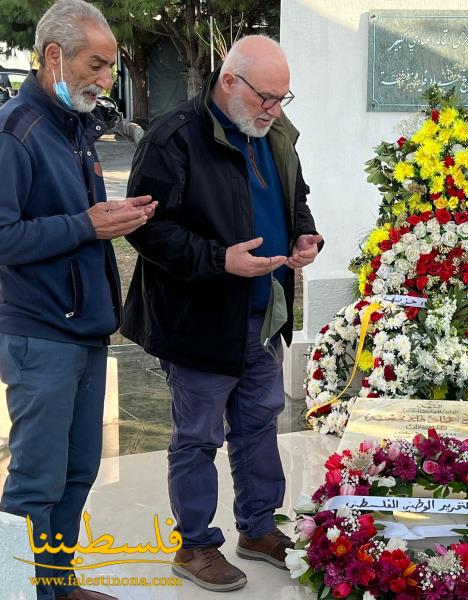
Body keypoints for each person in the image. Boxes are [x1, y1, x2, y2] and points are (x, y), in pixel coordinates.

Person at [121, 35, 323, 592]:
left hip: (262, 318)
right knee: (198, 439)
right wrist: (219, 260)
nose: (275, 110)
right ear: (229, 81)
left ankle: (259, 529)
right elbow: (147, 227)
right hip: (199, 321)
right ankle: (194, 546)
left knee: (259, 427)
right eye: (267, 98)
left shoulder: (273, 132)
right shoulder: (174, 136)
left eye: (283, 99)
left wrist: (305, 233)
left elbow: (295, 194)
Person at [0, 2, 156, 599]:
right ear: (54, 56)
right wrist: (86, 226)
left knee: (77, 471)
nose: (105, 79)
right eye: (97, 64)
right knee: (34, 483)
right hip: (39, 332)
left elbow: (77, 221)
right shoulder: (17, 130)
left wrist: (114, 219)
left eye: (111, 68)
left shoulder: (76, 128)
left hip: (84, 331)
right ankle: (19, 592)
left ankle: (57, 587)